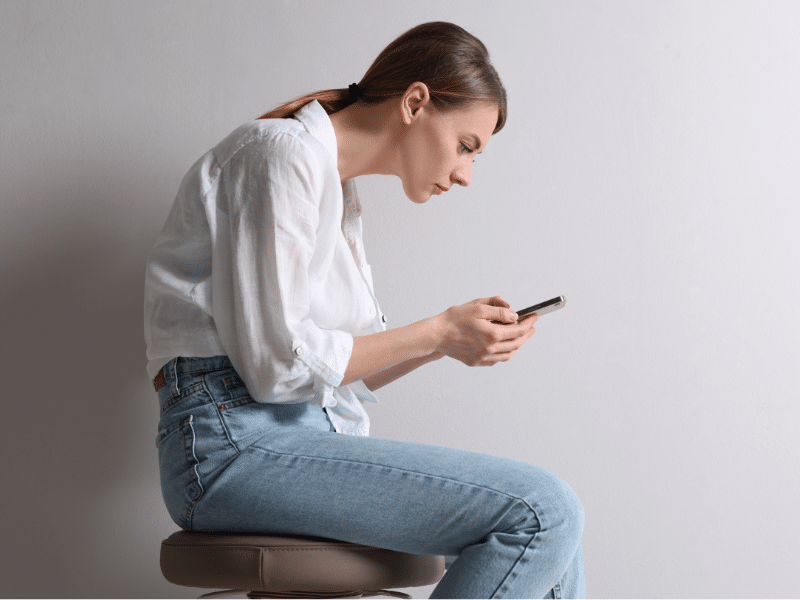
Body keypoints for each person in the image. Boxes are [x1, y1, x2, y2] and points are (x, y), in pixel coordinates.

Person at [144, 21, 585, 599]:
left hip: (295, 435)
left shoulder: (338, 194)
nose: (465, 175)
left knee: (558, 540)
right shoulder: (279, 156)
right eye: (466, 146)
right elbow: (277, 369)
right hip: (228, 447)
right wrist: (437, 331)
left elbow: (336, 372)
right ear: (415, 103)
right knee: (544, 511)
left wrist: (451, 340)